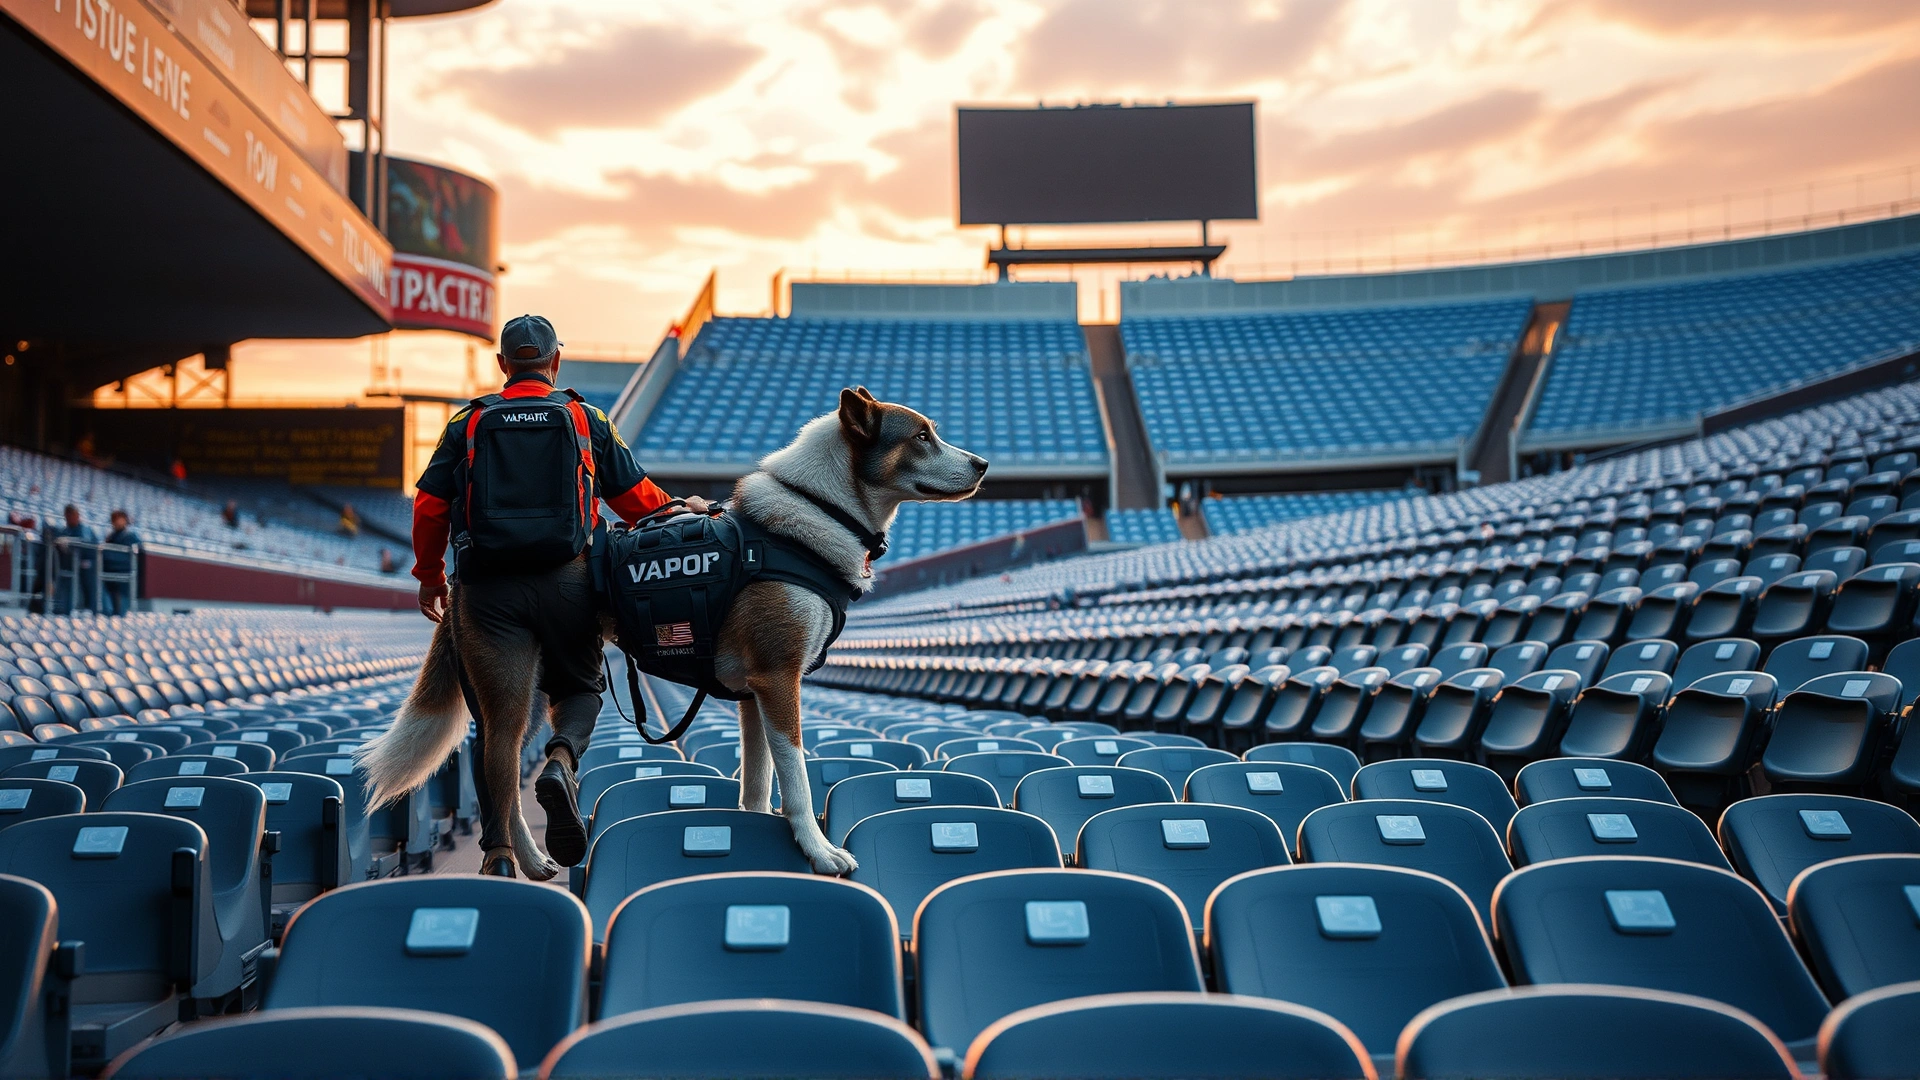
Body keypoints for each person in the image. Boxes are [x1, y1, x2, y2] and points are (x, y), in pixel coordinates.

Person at [411, 313, 708, 876]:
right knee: (579, 688)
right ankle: (561, 759)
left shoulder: (467, 422)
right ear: (555, 362)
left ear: (502, 365)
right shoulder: (584, 417)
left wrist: (429, 574)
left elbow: (429, 506)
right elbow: (636, 497)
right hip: (569, 581)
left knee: (499, 724)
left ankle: (497, 853)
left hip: (486, 592)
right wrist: (681, 510)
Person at [49, 505, 99, 613]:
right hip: (68, 564)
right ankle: (61, 608)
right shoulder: (65, 530)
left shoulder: (85, 530)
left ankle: (89, 608)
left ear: (77, 516)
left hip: (86, 565)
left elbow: (91, 548)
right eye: (68, 516)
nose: (71, 518)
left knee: (86, 571)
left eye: (73, 515)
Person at [101, 510, 141, 616]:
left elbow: (135, 553)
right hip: (109, 573)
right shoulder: (110, 536)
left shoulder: (130, 536)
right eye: (114, 520)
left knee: (121, 609)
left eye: (119, 519)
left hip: (123, 574)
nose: (116, 522)